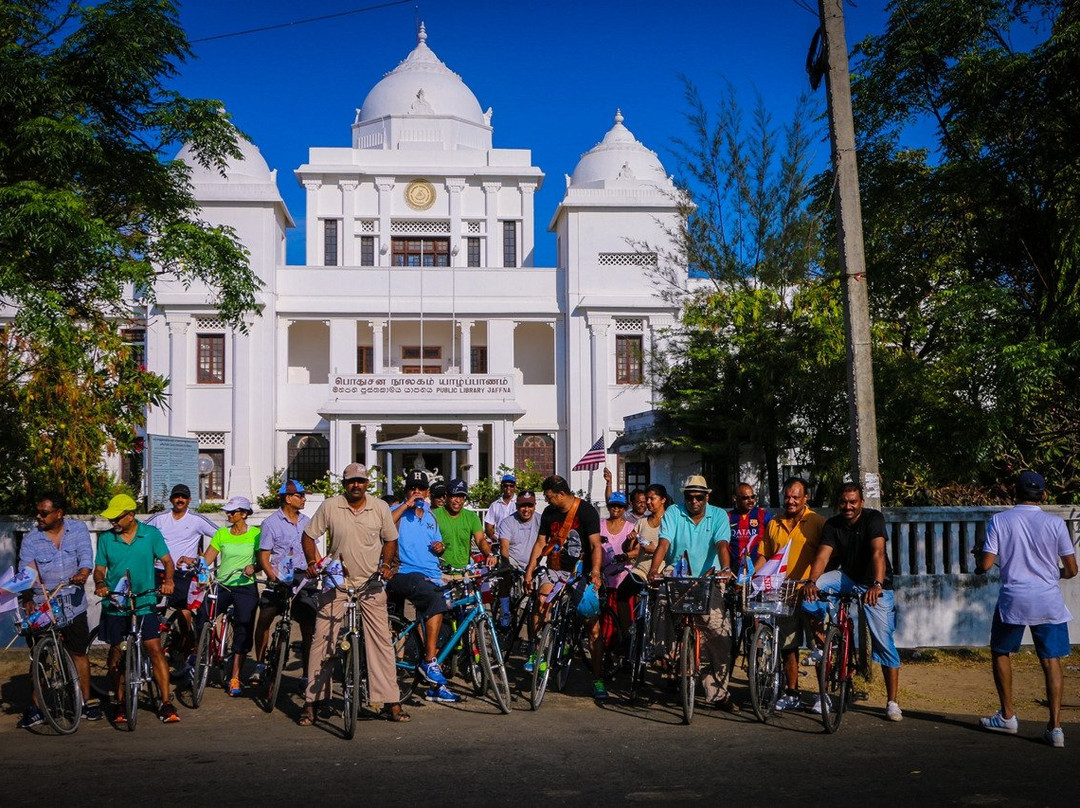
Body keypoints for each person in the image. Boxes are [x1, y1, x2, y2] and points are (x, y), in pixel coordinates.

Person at [975, 470, 1077, 747]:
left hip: (1013, 598)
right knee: (1051, 660)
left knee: (1001, 652)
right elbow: (1072, 569)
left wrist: (978, 558)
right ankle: (1055, 728)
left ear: (1014, 493)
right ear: (1043, 495)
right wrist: (1054, 574)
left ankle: (1007, 715)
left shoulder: (1000, 520)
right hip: (1047, 599)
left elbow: (985, 565)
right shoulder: (1055, 524)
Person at [300, 463, 406, 725]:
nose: (355, 485)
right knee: (322, 641)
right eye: (351, 481)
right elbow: (308, 536)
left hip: (370, 584)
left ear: (367, 483)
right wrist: (313, 563)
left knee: (381, 643)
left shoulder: (380, 507)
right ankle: (312, 702)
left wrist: (385, 565)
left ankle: (390, 702)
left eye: (360, 481)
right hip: (337, 582)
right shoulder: (330, 506)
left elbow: (390, 539)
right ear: (345, 484)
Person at [803, 482, 903, 721]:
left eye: (852, 502)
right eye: (843, 502)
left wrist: (877, 585)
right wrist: (811, 581)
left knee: (883, 642)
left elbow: (878, 552)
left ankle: (892, 702)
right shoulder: (833, 524)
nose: (847, 506)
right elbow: (823, 555)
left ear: (861, 503)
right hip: (847, 578)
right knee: (810, 593)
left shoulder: (873, 519)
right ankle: (824, 644)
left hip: (875, 584)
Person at [649, 474, 739, 712]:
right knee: (662, 603)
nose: (694, 501)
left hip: (709, 576)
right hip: (679, 573)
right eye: (690, 497)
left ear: (706, 497)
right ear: (684, 497)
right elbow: (664, 544)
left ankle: (718, 694)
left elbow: (722, 545)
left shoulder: (719, 515)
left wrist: (726, 569)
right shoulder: (673, 513)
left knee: (717, 634)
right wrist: (653, 570)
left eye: (699, 497)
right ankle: (664, 654)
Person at [92, 493, 180, 724]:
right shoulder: (106, 539)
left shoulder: (151, 535)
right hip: (116, 603)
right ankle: (120, 702)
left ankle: (166, 701)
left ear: (131, 516)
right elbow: (99, 569)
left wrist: (169, 581)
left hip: (144, 601)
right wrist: (100, 584)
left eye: (117, 518)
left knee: (154, 648)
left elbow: (168, 562)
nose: (113, 522)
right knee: (116, 653)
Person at [17, 493, 99, 727]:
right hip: (44, 606)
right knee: (40, 658)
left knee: (79, 653)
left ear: (59, 513)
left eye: (44, 513)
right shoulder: (32, 539)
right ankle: (36, 706)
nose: (38, 517)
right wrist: (26, 596)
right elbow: (26, 570)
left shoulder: (78, 530)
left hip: (73, 604)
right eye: (38, 512)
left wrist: (84, 573)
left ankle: (86, 702)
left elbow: (85, 555)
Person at [524, 474, 606, 699]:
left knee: (593, 627)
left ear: (561, 494)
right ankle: (537, 651)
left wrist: (596, 572)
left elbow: (595, 545)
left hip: (581, 572)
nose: (548, 502)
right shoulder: (549, 514)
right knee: (541, 602)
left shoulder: (587, 511)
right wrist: (530, 570)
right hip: (554, 568)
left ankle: (598, 679)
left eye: (550, 497)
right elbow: (541, 542)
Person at [388, 470, 458, 704]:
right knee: (434, 599)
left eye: (420, 488)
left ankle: (435, 685)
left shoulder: (431, 517)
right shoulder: (395, 512)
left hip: (432, 574)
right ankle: (429, 661)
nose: (416, 491)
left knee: (451, 616)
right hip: (404, 573)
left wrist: (440, 547)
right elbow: (383, 526)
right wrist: (405, 505)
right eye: (412, 488)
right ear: (406, 491)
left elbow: (435, 544)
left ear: (427, 492)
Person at [756, 477, 823, 713]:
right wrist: (754, 579)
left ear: (806, 498)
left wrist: (815, 582)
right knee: (787, 646)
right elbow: (764, 555)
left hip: (810, 594)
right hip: (782, 593)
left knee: (820, 647)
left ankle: (823, 695)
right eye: (788, 496)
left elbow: (825, 556)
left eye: (796, 496)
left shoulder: (817, 522)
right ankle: (792, 692)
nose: (791, 501)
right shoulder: (774, 523)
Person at [251, 479, 317, 688]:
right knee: (265, 618)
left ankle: (307, 674)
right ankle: (259, 665)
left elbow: (313, 550)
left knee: (309, 627)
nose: (304, 499)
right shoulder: (270, 523)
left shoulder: (307, 522)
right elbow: (264, 556)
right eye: (301, 495)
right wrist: (273, 577)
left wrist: (318, 566)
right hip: (279, 577)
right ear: (288, 498)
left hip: (303, 578)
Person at [144, 483, 217, 669]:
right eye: (177, 497)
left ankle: (187, 649)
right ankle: (151, 650)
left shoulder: (196, 519)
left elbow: (220, 536)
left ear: (189, 500)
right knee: (150, 608)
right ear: (171, 499)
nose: (180, 500)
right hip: (159, 570)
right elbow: (140, 533)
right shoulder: (159, 518)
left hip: (184, 573)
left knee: (185, 613)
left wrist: (200, 558)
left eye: (183, 497)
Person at [201, 496, 260, 697]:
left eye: (232, 512)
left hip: (245, 587)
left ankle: (235, 676)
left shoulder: (256, 534)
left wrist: (255, 567)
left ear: (244, 514)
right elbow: (207, 559)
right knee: (202, 615)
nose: (228, 515)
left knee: (244, 627)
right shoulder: (221, 534)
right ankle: (203, 652)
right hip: (223, 584)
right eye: (227, 512)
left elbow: (263, 560)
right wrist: (201, 572)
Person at [493, 490, 540, 629]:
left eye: (529, 506)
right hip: (513, 559)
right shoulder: (508, 522)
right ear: (517, 506)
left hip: (533, 562)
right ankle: (505, 609)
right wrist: (506, 563)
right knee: (504, 571)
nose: (526, 510)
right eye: (522, 506)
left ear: (535, 506)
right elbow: (504, 548)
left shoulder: (541, 520)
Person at [600, 491, 637, 646]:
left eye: (620, 506)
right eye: (613, 505)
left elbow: (637, 550)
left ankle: (627, 650)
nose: (616, 509)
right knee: (606, 620)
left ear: (625, 508)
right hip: (604, 579)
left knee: (625, 620)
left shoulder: (631, 527)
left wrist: (626, 555)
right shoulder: (600, 524)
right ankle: (607, 651)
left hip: (623, 579)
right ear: (608, 506)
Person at [433, 478, 486, 572]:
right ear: (446, 496)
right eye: (454, 496)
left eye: (461, 497)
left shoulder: (471, 517)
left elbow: (480, 539)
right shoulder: (433, 515)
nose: (458, 500)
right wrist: (436, 546)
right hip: (439, 571)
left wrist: (489, 554)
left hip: (464, 571)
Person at [728, 482, 771, 571]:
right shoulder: (728, 517)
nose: (750, 500)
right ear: (735, 498)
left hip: (758, 569)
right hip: (735, 570)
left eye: (753, 497)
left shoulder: (763, 515)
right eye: (745, 498)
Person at [483, 473, 517, 545]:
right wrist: (492, 536)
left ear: (515, 487)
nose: (508, 488)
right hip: (499, 543)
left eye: (511, 486)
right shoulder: (495, 505)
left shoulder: (519, 503)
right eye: (505, 486)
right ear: (502, 487)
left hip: (516, 543)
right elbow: (488, 526)